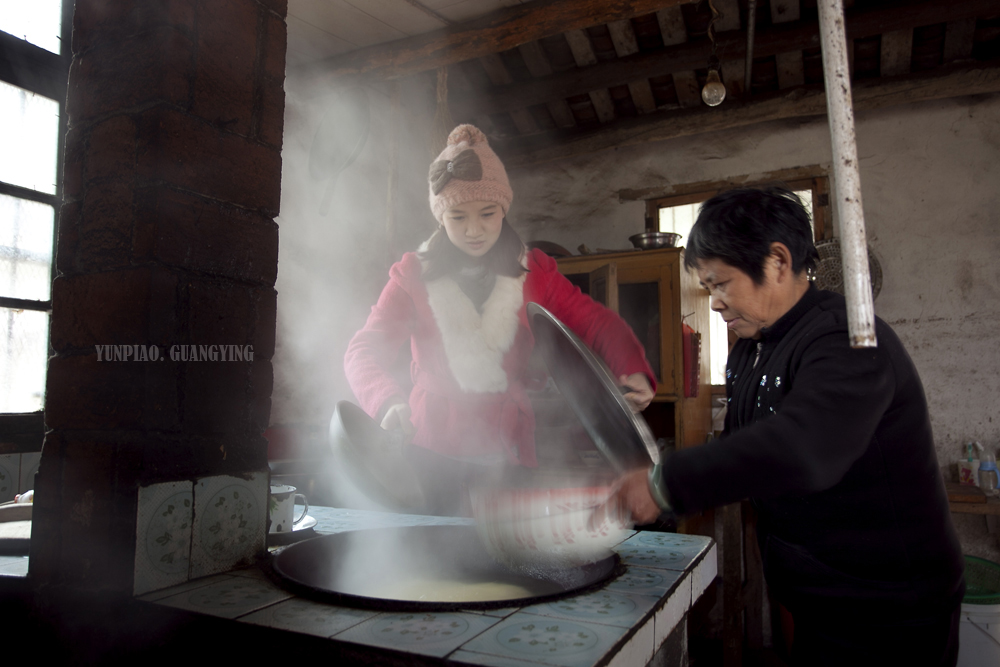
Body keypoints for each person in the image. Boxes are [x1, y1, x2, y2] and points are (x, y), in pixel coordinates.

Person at [612, 187, 965, 665]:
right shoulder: (752, 346)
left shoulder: (848, 337)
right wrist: (657, 506)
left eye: (720, 283)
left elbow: (803, 447)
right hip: (818, 596)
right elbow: (746, 449)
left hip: (890, 609)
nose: (714, 303)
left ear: (777, 261)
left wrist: (663, 483)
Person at [344, 124, 656, 513]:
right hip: (429, 449)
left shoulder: (535, 272)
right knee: (439, 555)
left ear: (503, 210)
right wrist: (386, 401)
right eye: (458, 217)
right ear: (441, 217)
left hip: (508, 449)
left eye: (487, 214)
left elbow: (595, 321)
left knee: (505, 556)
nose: (474, 230)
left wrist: (632, 368)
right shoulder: (412, 276)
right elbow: (363, 350)